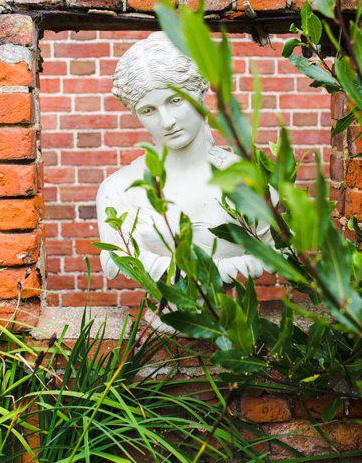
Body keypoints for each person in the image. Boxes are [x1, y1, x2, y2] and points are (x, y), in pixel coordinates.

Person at [95, 31, 271, 292]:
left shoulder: (247, 177)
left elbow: (279, 249)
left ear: (200, 92)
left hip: (233, 324)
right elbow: (118, 257)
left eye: (176, 100)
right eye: (148, 110)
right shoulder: (118, 190)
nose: (166, 122)